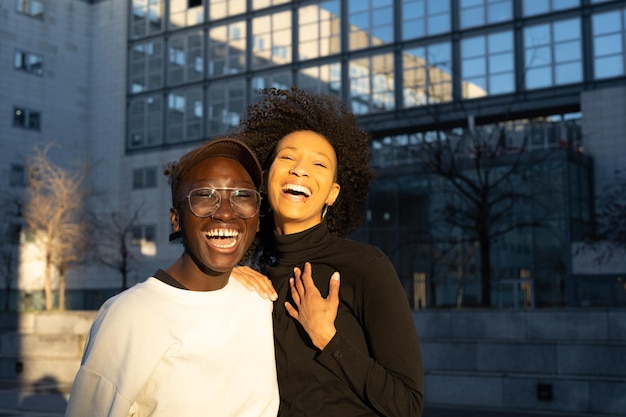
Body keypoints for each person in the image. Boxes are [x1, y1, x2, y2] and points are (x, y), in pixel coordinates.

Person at [234, 87, 424, 417]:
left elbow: (407, 405)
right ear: (265, 180)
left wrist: (328, 338)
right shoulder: (254, 279)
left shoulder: (364, 266)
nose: (300, 170)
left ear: (332, 194)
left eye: (319, 164)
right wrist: (222, 277)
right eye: (288, 157)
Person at [65, 137, 279, 417]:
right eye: (205, 196)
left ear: (258, 218)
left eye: (242, 196)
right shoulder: (130, 315)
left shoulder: (258, 301)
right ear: (175, 219)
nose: (226, 212)